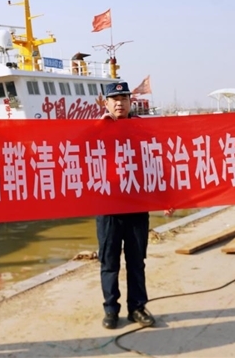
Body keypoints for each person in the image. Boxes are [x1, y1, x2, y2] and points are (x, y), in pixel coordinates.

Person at [96, 81, 155, 329]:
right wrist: (98, 128)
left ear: (131, 102)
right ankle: (111, 309)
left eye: (124, 99)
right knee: (109, 262)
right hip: (108, 208)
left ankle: (137, 308)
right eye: (114, 99)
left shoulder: (142, 129)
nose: (119, 103)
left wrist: (168, 199)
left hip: (137, 206)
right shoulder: (95, 130)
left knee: (136, 261)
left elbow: (157, 163)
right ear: (106, 103)